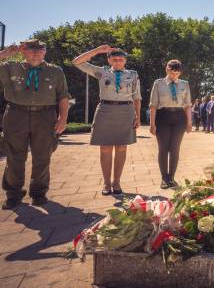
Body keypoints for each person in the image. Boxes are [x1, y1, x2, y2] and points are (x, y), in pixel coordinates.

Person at [0, 40, 70, 209]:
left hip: (45, 116)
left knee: (43, 156)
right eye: (31, 49)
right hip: (16, 114)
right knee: (14, 156)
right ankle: (13, 194)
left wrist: (63, 119)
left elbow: (63, 96)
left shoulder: (55, 71)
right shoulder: (9, 67)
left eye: (40, 49)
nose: (36, 53)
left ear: (45, 51)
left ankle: (39, 193)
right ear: (23, 51)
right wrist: (5, 54)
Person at [73, 45, 141, 196]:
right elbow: (76, 62)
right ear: (109, 59)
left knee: (122, 148)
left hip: (126, 111)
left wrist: (138, 117)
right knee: (105, 148)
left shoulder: (133, 74)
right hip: (105, 110)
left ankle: (116, 182)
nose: (118, 61)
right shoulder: (101, 72)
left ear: (125, 61)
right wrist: (96, 51)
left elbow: (137, 97)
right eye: (114, 59)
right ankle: (106, 182)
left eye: (121, 59)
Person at [149, 60, 192, 189]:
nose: (174, 76)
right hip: (163, 117)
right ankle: (164, 178)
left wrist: (189, 122)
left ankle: (171, 177)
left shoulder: (185, 84)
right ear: (167, 70)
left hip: (179, 118)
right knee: (163, 149)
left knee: (175, 149)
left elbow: (187, 105)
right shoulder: (158, 83)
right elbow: (153, 105)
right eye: (172, 73)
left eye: (177, 73)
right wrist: (152, 124)